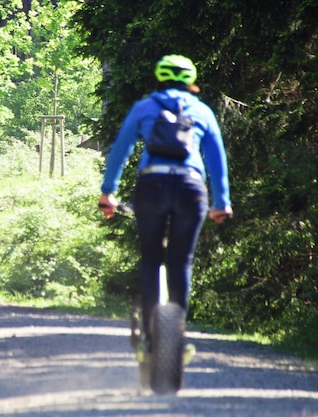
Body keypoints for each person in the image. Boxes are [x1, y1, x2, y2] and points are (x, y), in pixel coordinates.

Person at [98, 55, 232, 355]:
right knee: (181, 261)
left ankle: (148, 340)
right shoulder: (202, 111)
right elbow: (216, 159)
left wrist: (108, 193)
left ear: (159, 79)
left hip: (152, 186)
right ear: (190, 82)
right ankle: (178, 339)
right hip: (191, 188)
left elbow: (121, 148)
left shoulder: (145, 107)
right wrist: (221, 201)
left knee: (150, 259)